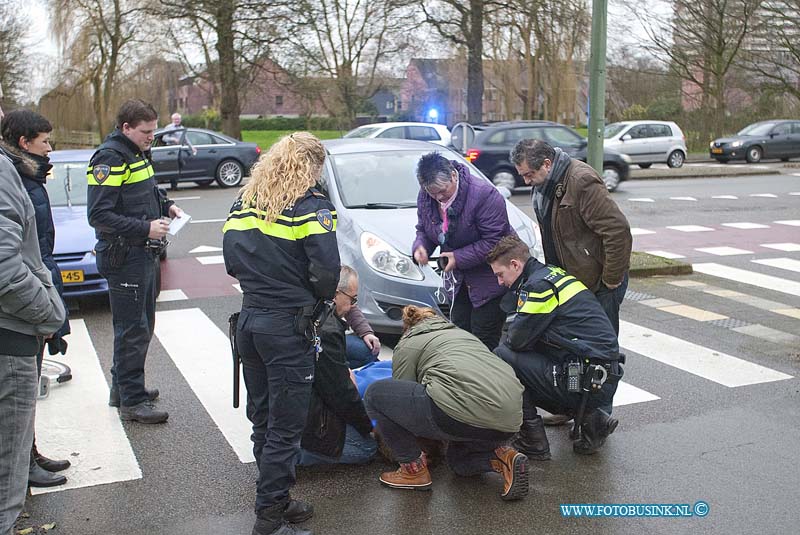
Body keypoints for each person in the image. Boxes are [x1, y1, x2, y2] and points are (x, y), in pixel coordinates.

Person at [223, 131, 340, 535]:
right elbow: (327, 273)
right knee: (286, 428)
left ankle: (279, 499)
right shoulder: (311, 207)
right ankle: (269, 518)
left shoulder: (245, 203)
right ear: (312, 166)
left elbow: (231, 263)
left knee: (263, 419)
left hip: (251, 322)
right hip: (288, 326)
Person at [510, 139, 631, 424]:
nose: (526, 181)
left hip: (598, 284)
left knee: (600, 353)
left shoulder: (581, 181)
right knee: (569, 348)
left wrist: (609, 281)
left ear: (548, 164)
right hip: (571, 284)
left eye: (529, 174)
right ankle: (571, 408)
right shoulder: (545, 185)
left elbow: (618, 232)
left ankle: (598, 419)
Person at [364, 306, 529, 501]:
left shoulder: (409, 343)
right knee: (459, 463)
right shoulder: (464, 336)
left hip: (460, 412)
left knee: (375, 395)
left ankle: (413, 471)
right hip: (509, 422)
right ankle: (504, 457)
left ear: (407, 328)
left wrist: (405, 446)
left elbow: (402, 404)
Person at [87, 99, 183, 424]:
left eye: (154, 131)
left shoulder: (137, 151)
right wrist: (146, 227)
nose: (151, 137)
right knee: (133, 329)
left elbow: (145, 190)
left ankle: (124, 388)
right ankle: (132, 401)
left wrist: (166, 206)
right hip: (125, 255)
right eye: (146, 132)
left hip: (143, 253)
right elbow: (99, 215)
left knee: (140, 326)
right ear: (126, 128)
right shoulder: (109, 158)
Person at [488, 236, 623, 459]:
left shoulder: (539, 286)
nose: (500, 282)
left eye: (500, 275)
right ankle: (592, 420)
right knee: (524, 355)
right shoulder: (552, 274)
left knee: (501, 356)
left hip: (584, 378)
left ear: (515, 264)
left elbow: (517, 339)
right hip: (599, 376)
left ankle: (534, 440)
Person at [1, 110, 72, 488]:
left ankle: (29, 453)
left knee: (26, 394)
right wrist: (46, 310)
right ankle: (22, 464)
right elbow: (17, 262)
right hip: (23, 309)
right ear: (25, 143)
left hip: (34, 298)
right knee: (18, 394)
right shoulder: (17, 178)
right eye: (44, 141)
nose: (50, 148)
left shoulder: (28, 176)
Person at [412, 152, 514, 351]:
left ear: (453, 175)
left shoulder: (484, 195)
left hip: (489, 279)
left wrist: (457, 258)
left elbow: (496, 241)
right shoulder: (426, 196)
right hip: (459, 284)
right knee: (459, 338)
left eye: (442, 191)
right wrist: (421, 247)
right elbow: (424, 229)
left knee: (482, 342)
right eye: (433, 194)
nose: (439, 198)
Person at [298, 266, 377, 467]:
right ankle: (294, 453)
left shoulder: (308, 298)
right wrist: (367, 426)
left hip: (284, 400)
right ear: (335, 294)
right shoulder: (327, 331)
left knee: (360, 353)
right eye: (352, 299)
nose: (352, 306)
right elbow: (341, 395)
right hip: (302, 415)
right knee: (366, 447)